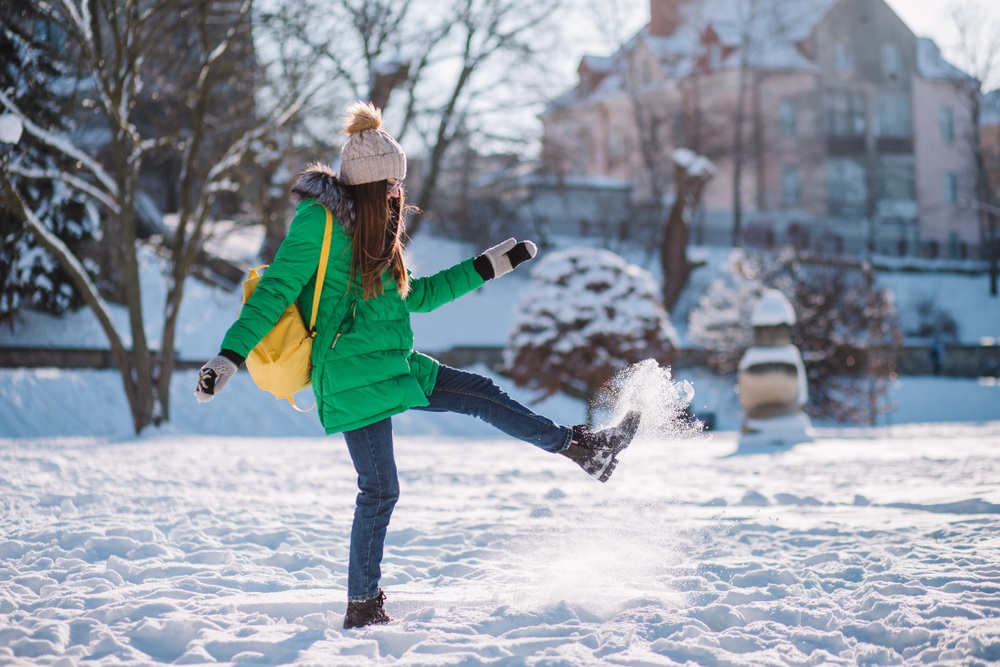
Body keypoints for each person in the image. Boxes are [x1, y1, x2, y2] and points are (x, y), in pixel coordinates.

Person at [194, 102, 641, 630]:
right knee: (380, 489)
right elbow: (274, 291)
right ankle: (362, 606)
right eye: (391, 184)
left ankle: (581, 447)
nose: (397, 193)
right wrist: (230, 355)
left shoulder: (379, 231)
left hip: (396, 365)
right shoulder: (320, 223)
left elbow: (418, 296)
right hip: (351, 377)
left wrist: (487, 265)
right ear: (369, 183)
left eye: (399, 184)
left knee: (482, 394)